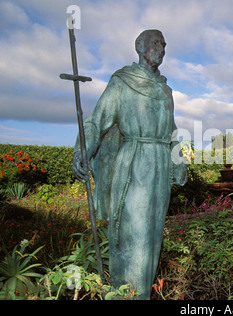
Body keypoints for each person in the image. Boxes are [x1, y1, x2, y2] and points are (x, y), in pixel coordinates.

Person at [72, 29, 187, 299]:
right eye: (156, 43)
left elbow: (171, 131)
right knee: (132, 236)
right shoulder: (122, 82)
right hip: (135, 165)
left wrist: (178, 161)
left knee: (152, 240)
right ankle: (127, 294)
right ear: (140, 46)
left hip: (160, 168)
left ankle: (142, 292)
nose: (162, 49)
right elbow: (96, 121)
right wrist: (82, 150)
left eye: (164, 45)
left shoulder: (165, 89)